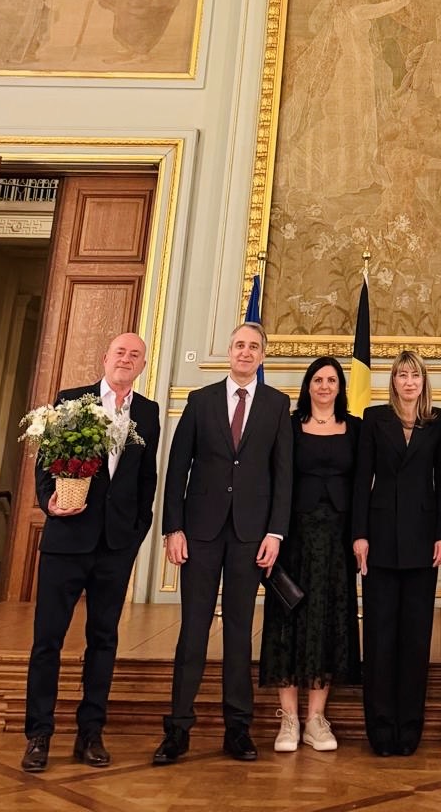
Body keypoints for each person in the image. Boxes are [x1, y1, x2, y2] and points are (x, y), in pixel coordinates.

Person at [153, 322, 292, 766]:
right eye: (239, 345)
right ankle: (177, 730)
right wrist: (173, 528)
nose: (245, 352)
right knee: (193, 631)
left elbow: (283, 475)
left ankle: (238, 729)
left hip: (251, 536)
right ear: (229, 352)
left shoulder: (277, 404)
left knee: (238, 632)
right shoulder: (201, 400)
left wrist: (275, 533)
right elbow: (177, 468)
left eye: (254, 347)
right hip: (199, 533)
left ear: (263, 356)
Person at [21, 333, 159, 773]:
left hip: (116, 547)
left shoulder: (149, 412)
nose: (126, 359)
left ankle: (90, 733)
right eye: (120, 352)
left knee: (103, 640)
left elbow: (147, 478)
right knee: (48, 640)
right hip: (67, 540)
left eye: (135, 355)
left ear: (142, 366)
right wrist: (49, 502)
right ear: (105, 358)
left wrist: (137, 531)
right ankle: (39, 734)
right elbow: (46, 464)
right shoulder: (71, 401)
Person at [351, 350, 441, 755]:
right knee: (379, 637)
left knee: (414, 638)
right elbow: (362, 480)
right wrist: (359, 534)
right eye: (402, 375)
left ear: (424, 381)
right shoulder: (374, 418)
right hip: (378, 539)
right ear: (392, 380)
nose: (409, 382)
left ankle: (409, 727)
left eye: (415, 375)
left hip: (423, 541)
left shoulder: (439, 421)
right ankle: (379, 728)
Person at [260, 355, 361, 753]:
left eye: (331, 380)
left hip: (337, 539)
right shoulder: (287, 425)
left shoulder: (356, 427)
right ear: (308, 386)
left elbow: (361, 485)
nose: (324, 386)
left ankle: (316, 719)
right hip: (292, 536)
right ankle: (288, 719)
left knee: (328, 619)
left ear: (340, 387)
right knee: (288, 620)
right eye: (317, 380)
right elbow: (273, 478)